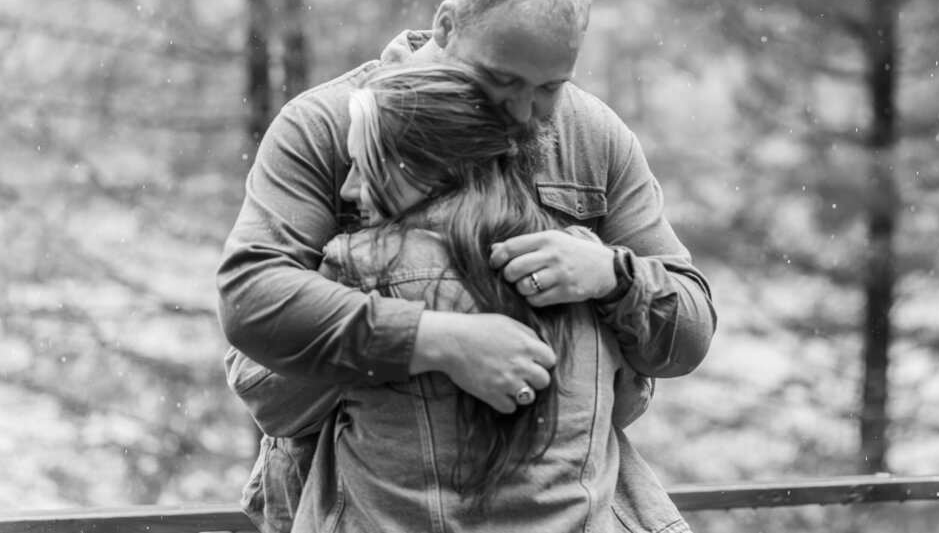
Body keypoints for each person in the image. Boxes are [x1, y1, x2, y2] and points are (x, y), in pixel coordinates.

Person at [217, 0, 716, 530]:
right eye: (502, 80)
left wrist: (610, 276)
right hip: (370, 508)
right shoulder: (324, 126)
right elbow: (252, 308)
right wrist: (438, 340)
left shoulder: (594, 138)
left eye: (550, 88)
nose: (523, 113)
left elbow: (689, 333)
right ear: (447, 26)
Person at [233, 61, 666, 530]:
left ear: (423, 169)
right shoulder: (584, 264)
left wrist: (404, 340)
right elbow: (626, 400)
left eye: (363, 165)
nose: (347, 188)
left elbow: (266, 393)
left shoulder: (361, 269)